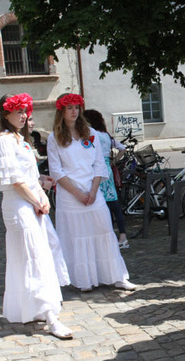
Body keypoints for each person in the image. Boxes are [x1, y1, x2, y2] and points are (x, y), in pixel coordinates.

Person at [0, 93, 73, 339]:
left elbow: (29, 177)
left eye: (26, 111)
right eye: (19, 111)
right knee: (34, 257)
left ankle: (35, 308)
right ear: (6, 113)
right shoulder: (3, 140)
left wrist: (41, 191)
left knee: (41, 254)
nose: (24, 116)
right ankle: (50, 316)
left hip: (31, 203)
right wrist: (37, 200)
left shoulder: (19, 139)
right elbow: (14, 181)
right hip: (19, 206)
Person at [47, 93, 136, 292]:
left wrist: (93, 190)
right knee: (79, 235)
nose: (74, 111)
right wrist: (78, 193)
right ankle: (84, 279)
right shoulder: (54, 138)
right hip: (70, 195)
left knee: (104, 230)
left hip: (93, 191)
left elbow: (99, 163)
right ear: (61, 111)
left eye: (76, 107)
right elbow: (57, 171)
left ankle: (117, 276)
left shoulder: (91, 133)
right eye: (69, 108)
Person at [82, 109, 129, 249]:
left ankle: (104, 237)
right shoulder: (105, 135)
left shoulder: (91, 134)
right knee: (113, 203)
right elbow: (123, 148)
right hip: (107, 170)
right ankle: (122, 236)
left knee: (99, 204)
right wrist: (113, 162)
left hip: (96, 171)